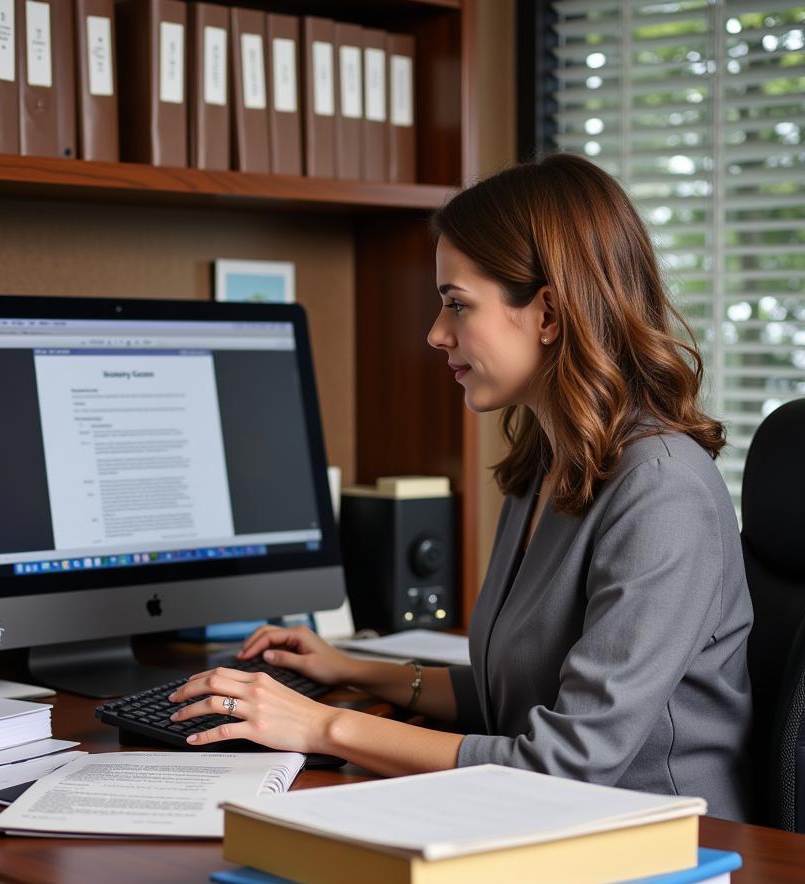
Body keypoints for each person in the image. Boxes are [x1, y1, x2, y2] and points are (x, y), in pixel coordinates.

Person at [167, 154, 754, 821]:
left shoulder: (662, 491)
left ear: (548, 314)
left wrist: (319, 726)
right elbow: (520, 693)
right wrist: (352, 670)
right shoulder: (548, 463)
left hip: (668, 849)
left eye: (456, 305)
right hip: (546, 825)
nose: (436, 333)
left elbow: (564, 762)